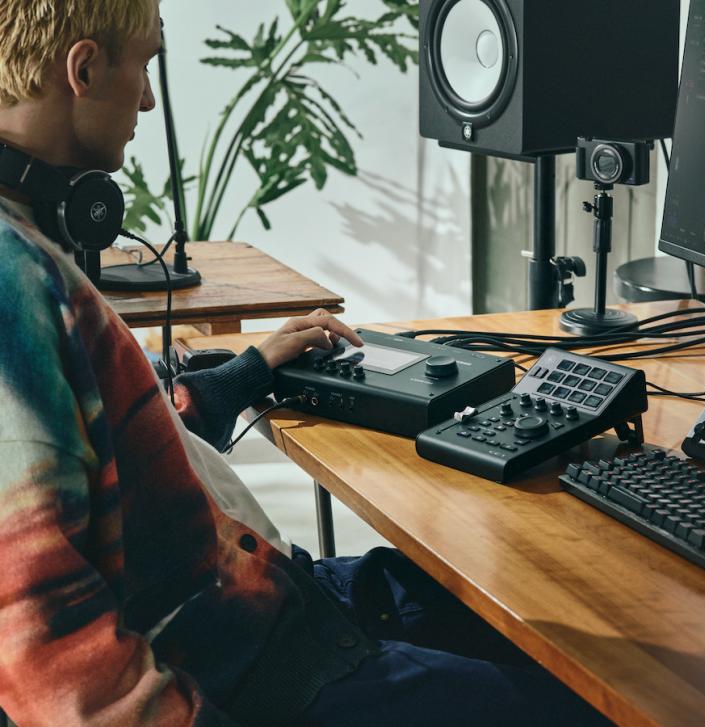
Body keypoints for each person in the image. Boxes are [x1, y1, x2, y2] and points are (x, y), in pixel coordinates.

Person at [0, 2, 613, 725]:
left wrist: (247, 372)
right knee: (599, 703)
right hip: (264, 673)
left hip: (275, 600)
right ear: (83, 69)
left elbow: (108, 447)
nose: (148, 100)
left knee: (551, 615)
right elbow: (52, 665)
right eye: (144, 65)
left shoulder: (29, 243)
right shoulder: (14, 285)